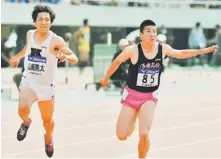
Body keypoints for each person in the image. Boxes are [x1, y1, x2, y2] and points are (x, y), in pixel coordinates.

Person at [100, 19, 218, 159]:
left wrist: (204, 50)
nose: (152, 34)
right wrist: (105, 79)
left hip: (149, 96)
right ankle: (132, 120)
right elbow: (117, 62)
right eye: (148, 31)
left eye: (154, 31)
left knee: (144, 134)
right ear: (141, 34)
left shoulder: (162, 49)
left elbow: (181, 53)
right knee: (121, 135)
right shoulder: (132, 50)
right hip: (131, 95)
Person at [9, 5, 78, 158]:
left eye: (47, 19)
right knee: (22, 110)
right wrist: (17, 57)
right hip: (29, 81)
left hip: (47, 87)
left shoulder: (55, 40)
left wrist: (65, 57)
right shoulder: (30, 34)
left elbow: (74, 57)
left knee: (47, 121)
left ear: (51, 23)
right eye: (40, 19)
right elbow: (28, 48)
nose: (44, 22)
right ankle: (26, 122)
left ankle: (48, 139)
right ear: (35, 22)